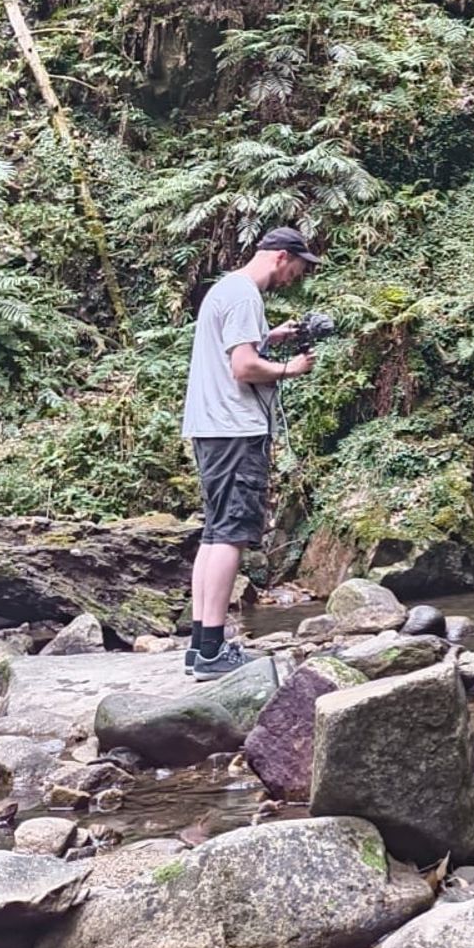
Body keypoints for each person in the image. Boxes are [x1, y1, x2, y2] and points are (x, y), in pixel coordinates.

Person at [180, 225, 322, 678]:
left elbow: (236, 352)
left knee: (214, 533)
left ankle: (201, 645)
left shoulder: (226, 290)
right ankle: (213, 653)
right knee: (231, 536)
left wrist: (270, 338)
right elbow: (243, 368)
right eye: (299, 267)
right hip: (234, 429)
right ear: (282, 256)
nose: (297, 277)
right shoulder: (245, 295)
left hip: (211, 428)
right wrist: (291, 368)